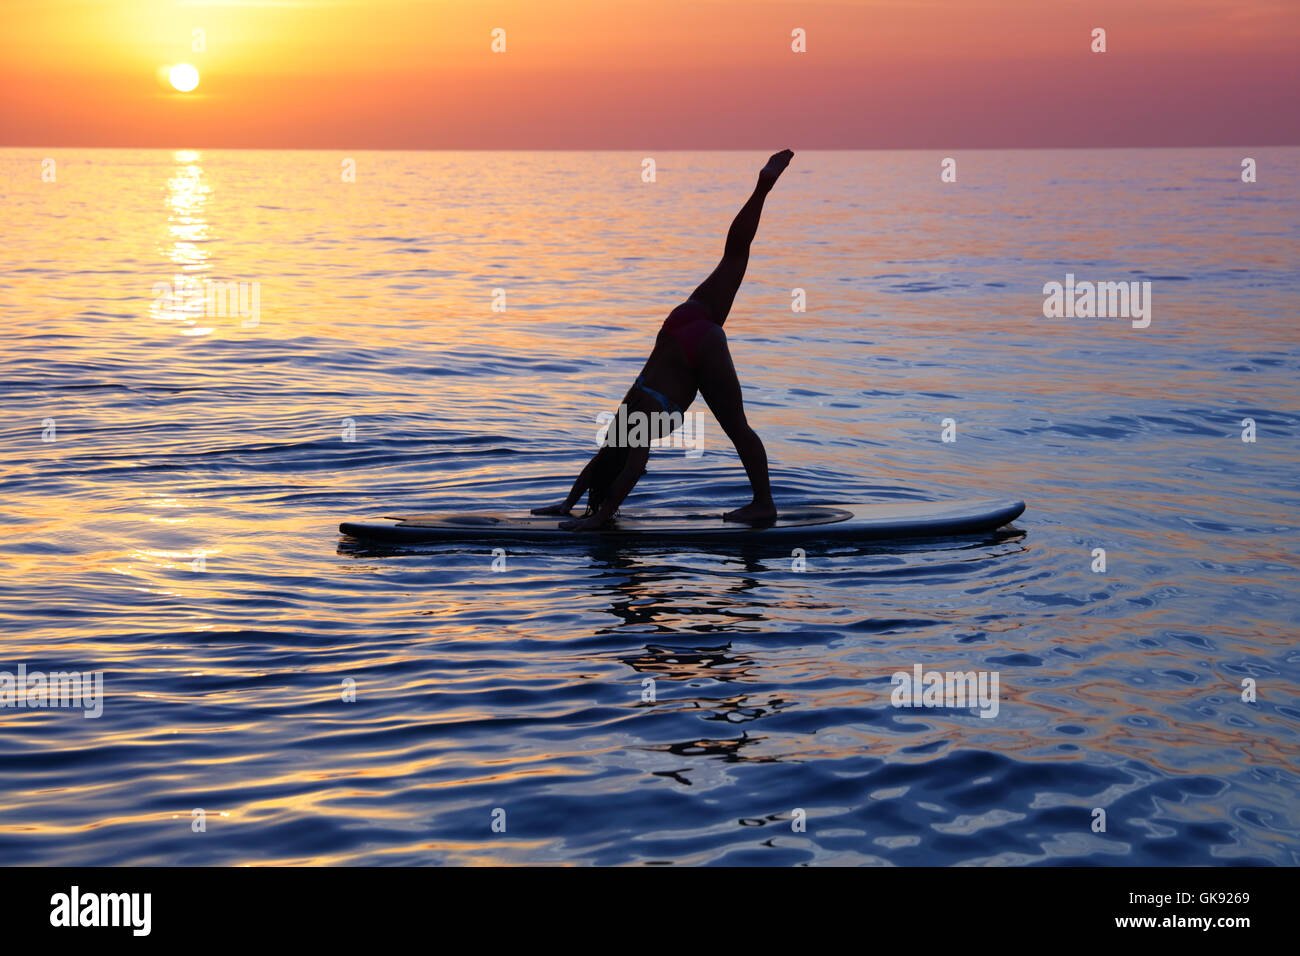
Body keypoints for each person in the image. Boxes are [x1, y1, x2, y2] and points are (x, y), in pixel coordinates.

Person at [533, 149, 794, 530]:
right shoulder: (619, 424)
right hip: (680, 323)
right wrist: (567, 505)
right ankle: (763, 186)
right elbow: (603, 465)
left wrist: (598, 517)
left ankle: (765, 505)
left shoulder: (629, 430)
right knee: (734, 256)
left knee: (738, 427)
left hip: (698, 349)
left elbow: (631, 470)